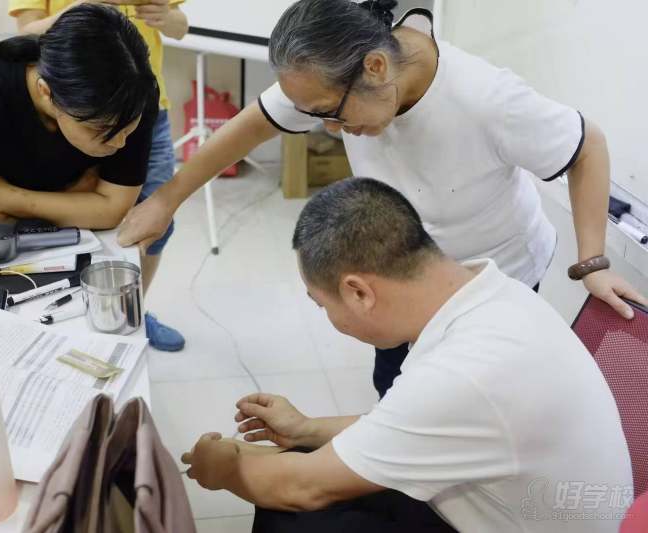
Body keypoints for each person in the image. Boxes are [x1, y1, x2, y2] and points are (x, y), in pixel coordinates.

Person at [116, 0, 648, 390]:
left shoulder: (486, 99)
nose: (328, 128)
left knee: (468, 397)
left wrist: (592, 263)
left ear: (374, 67)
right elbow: (252, 124)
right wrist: (167, 200)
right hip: (403, 266)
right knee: (396, 385)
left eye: (331, 113)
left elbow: (588, 146)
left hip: (492, 276)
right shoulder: (330, 74)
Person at [181, 178, 633, 533]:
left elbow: (304, 488)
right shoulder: (493, 295)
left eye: (322, 305)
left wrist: (225, 469)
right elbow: (412, 423)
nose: (328, 319)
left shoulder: (463, 373)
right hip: (506, 507)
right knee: (304, 464)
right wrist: (306, 429)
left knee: (292, 516)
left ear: (358, 292)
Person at [0, 3, 181, 350]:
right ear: (46, 91)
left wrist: (10, 198)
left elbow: (113, 210)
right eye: (102, 131)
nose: (120, 144)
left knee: (110, 330)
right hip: (7, 267)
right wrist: (82, 196)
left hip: (86, 251)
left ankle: (139, 311)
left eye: (129, 130)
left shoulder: (133, 92)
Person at [7, 0, 188, 351]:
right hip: (82, 112)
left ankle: (133, 308)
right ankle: (79, 314)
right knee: (79, 222)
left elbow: (180, 27)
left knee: (155, 224)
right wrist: (84, 13)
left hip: (145, 111)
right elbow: (25, 34)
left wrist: (165, 17)